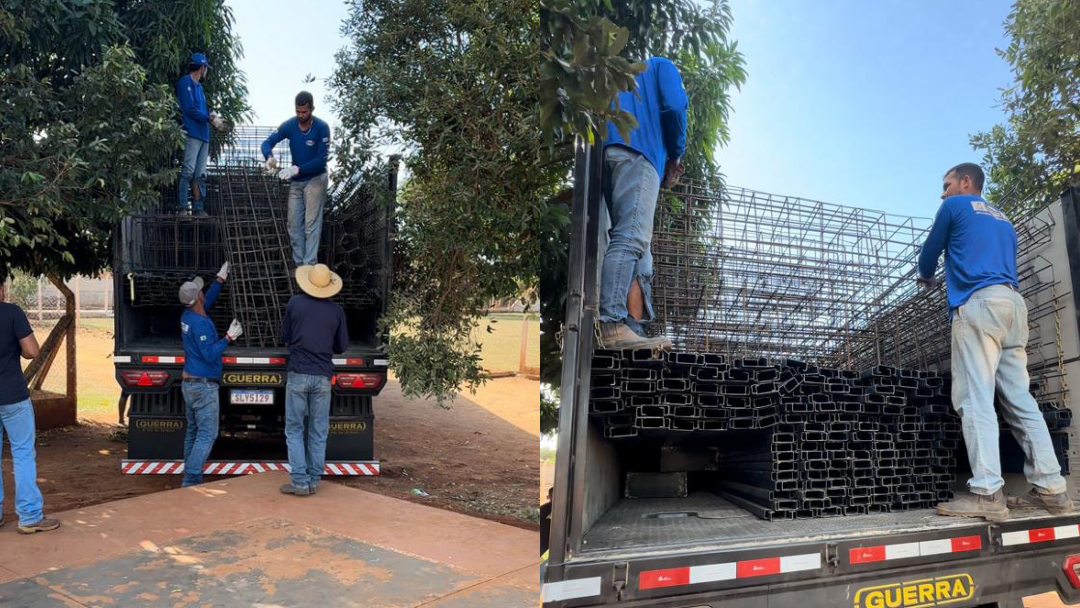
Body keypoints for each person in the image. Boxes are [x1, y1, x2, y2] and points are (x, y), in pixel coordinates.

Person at [918, 162, 1072, 521]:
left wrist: (925, 277)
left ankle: (987, 493)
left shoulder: (954, 207)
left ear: (966, 181)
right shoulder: (1003, 219)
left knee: (975, 398)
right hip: (1013, 306)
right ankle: (1053, 489)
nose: (943, 192)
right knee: (1020, 399)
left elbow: (929, 254)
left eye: (947, 184)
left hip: (979, 303)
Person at [598, 57, 687, 350]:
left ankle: (632, 330)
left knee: (640, 254)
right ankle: (612, 325)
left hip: (612, 153)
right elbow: (675, 106)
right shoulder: (663, 66)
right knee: (632, 238)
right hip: (639, 153)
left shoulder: (626, 78)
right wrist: (676, 154)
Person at [280, 264, 348, 496]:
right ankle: (313, 479)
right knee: (318, 430)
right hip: (322, 377)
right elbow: (342, 346)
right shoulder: (336, 311)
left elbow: (285, 336)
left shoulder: (294, 304)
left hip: (298, 373)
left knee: (295, 429)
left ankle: (299, 481)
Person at [0, 280, 60, 533]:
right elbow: (32, 351)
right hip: (12, 396)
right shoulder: (12, 312)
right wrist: (18, 351)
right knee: (23, 453)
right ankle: (29, 516)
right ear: (1, 288)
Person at [178, 262, 242, 487]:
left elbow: (207, 302)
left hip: (190, 383)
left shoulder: (188, 316)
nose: (204, 293)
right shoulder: (202, 324)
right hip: (203, 385)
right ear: (198, 298)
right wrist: (228, 338)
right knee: (207, 434)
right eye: (201, 291)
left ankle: (189, 473)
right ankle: (192, 478)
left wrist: (220, 280)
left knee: (193, 432)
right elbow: (208, 354)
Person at [260, 91, 331, 266]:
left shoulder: (322, 127)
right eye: (298, 111)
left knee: (311, 223)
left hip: (316, 178)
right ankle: (300, 266)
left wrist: (297, 169)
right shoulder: (290, 125)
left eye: (304, 112)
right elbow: (267, 142)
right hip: (297, 181)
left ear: (312, 109)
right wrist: (269, 157)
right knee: (293, 225)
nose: (301, 115)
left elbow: (321, 160)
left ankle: (310, 265)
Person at [176, 52, 226, 216]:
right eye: (206, 68)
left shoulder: (200, 88)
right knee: (188, 170)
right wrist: (208, 118)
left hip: (204, 135)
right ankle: (183, 207)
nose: (206, 71)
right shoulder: (185, 82)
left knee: (200, 173)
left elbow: (203, 110)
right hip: (192, 132)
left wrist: (212, 117)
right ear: (202, 67)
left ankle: (198, 208)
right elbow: (189, 108)